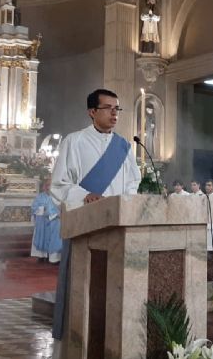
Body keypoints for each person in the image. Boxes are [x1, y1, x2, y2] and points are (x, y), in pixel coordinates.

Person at [49, 89, 141, 355]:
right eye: (108, 108)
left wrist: (124, 203)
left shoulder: (124, 146)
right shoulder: (74, 141)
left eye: (117, 109)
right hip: (86, 229)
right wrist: (85, 196)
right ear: (92, 112)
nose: (115, 114)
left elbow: (133, 182)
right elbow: (59, 185)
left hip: (118, 230)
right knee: (85, 297)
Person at [31, 177, 62, 264]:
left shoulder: (57, 197)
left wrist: (53, 214)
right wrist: (42, 210)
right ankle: (41, 256)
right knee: (41, 232)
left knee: (56, 233)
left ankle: (54, 258)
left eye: (50, 185)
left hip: (55, 220)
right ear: (44, 187)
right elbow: (34, 208)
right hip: (42, 221)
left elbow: (60, 208)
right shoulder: (40, 197)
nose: (48, 187)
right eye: (47, 185)